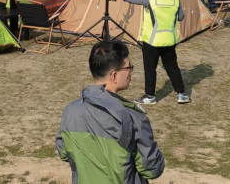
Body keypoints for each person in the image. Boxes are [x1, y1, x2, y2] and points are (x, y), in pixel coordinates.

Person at [56, 40, 165, 183]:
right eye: (128, 68)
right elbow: (152, 169)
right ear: (113, 75)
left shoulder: (71, 111)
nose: (130, 72)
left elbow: (64, 153)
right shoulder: (133, 118)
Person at [117, 0, 190, 105]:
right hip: (169, 40)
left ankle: (150, 96)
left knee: (150, 69)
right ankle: (181, 94)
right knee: (172, 67)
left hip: (152, 41)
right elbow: (180, 17)